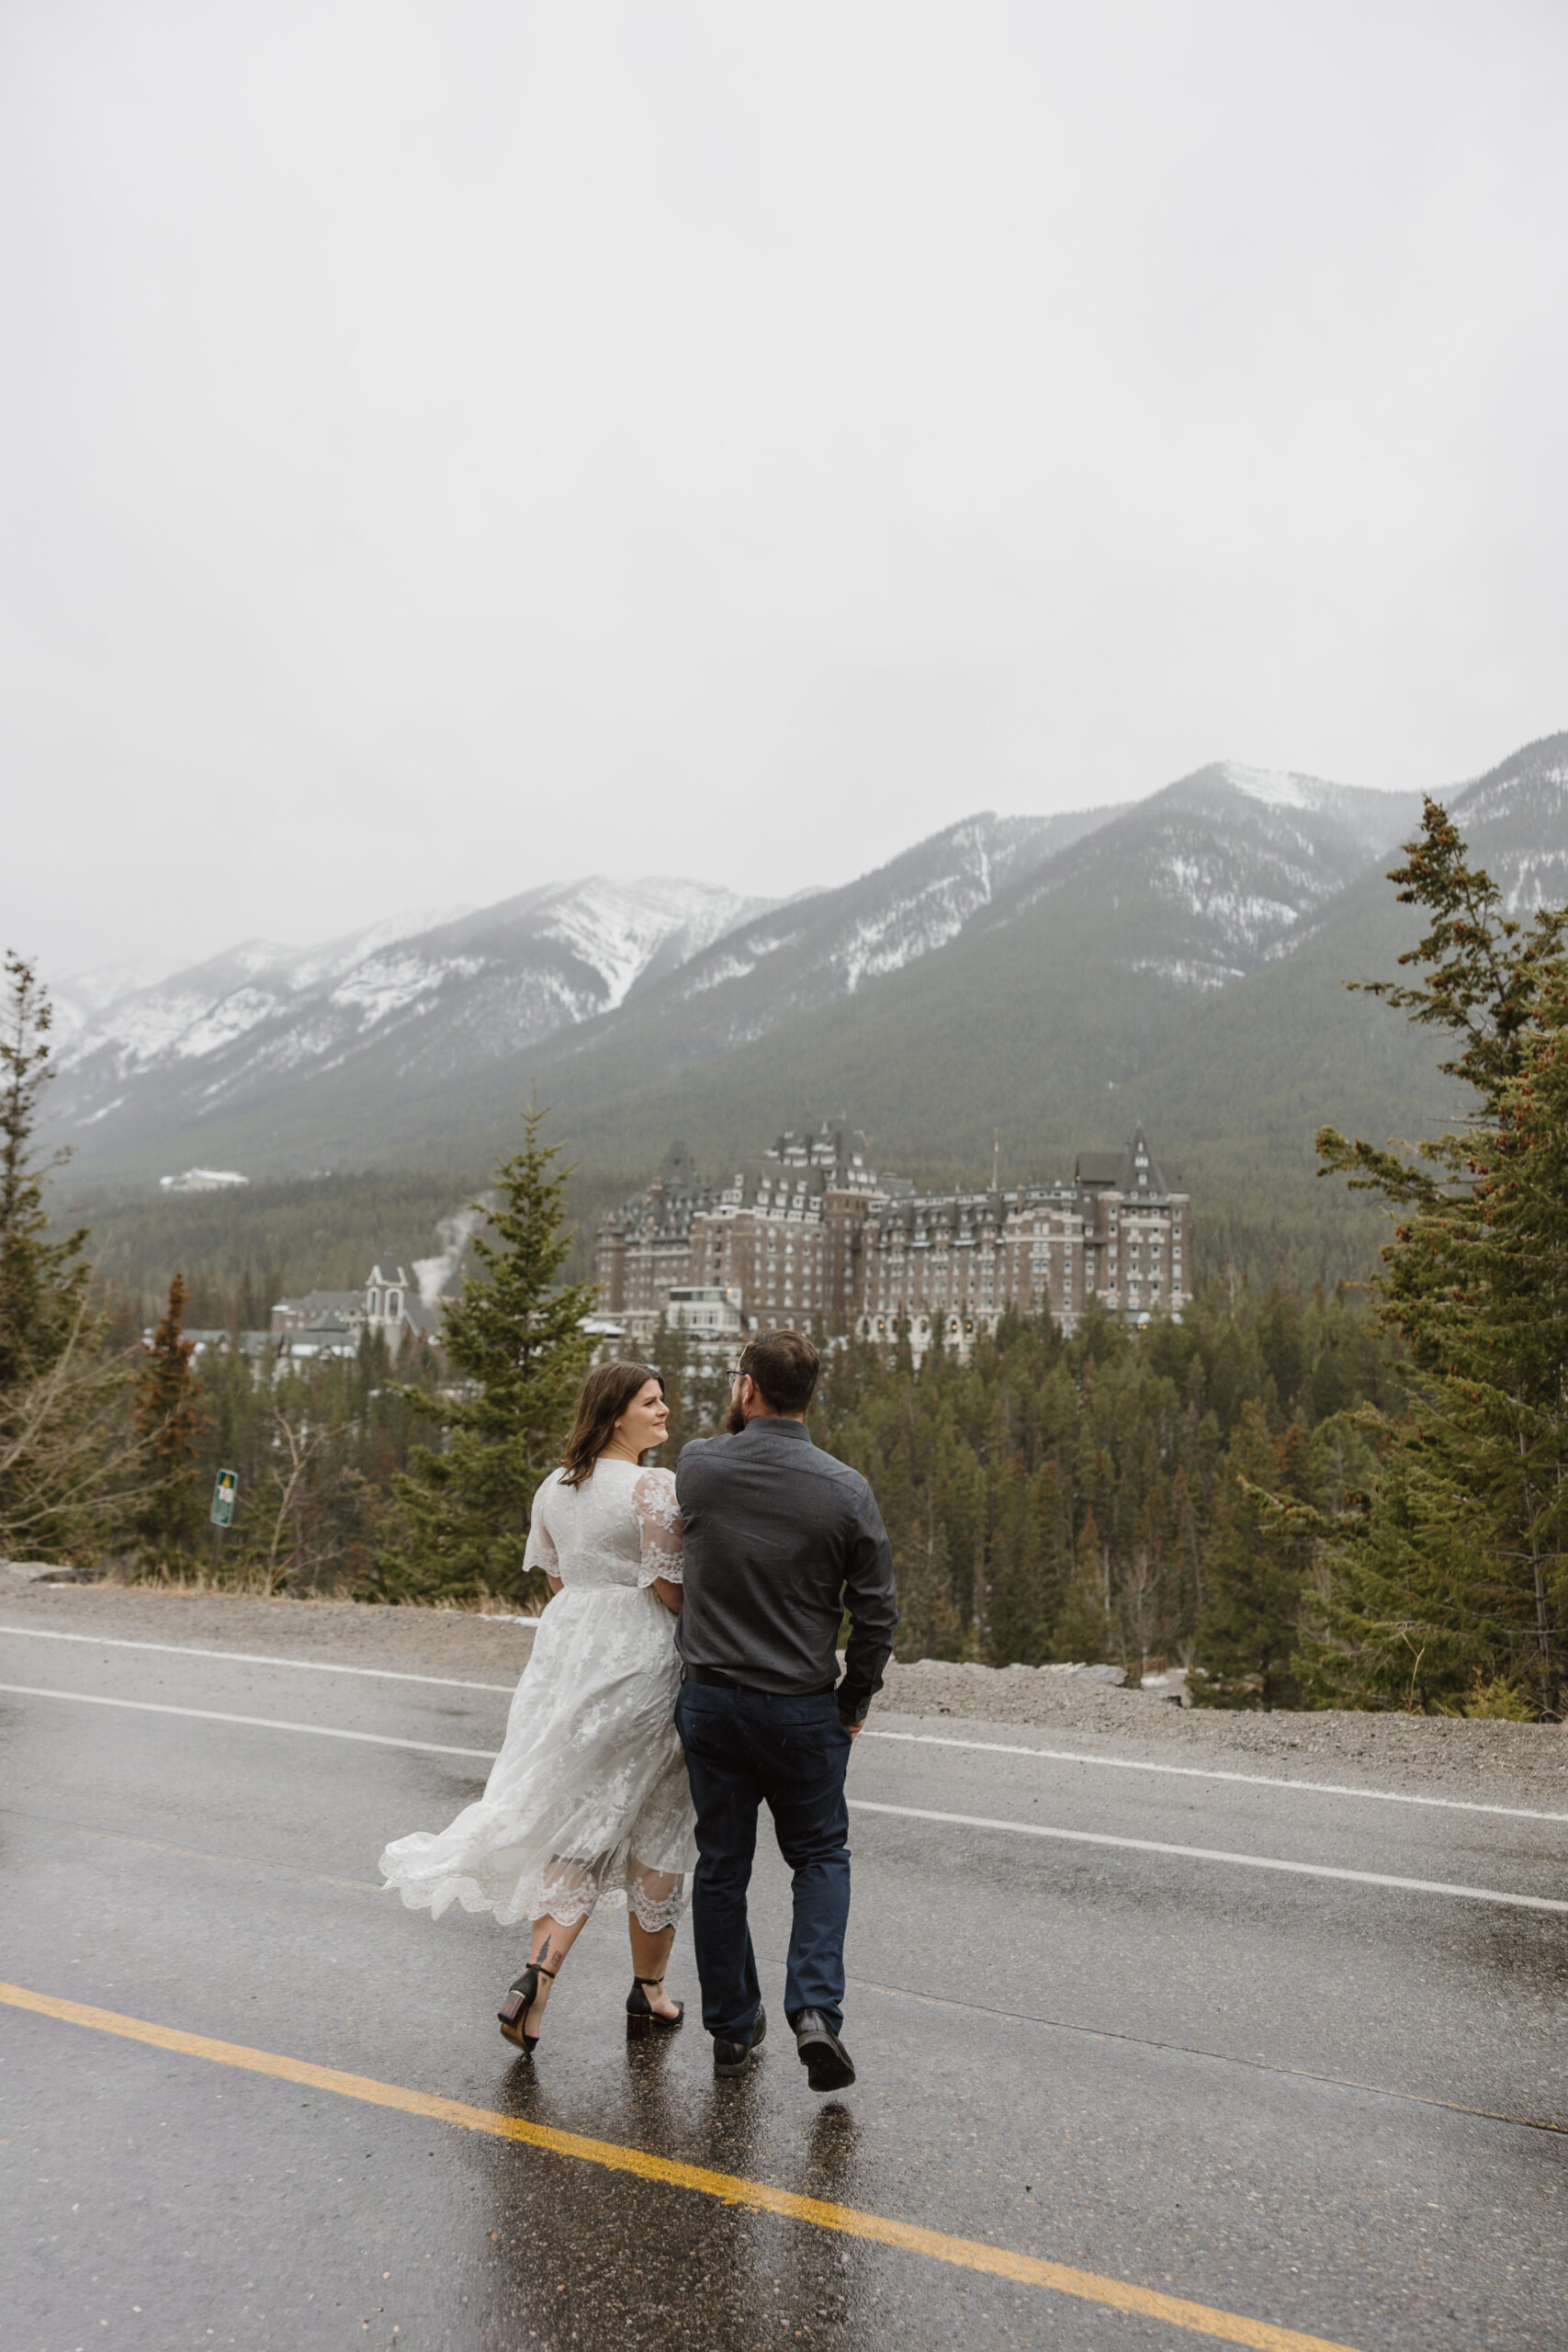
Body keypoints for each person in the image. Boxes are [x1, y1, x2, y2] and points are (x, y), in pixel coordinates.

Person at [378, 1361, 696, 2052]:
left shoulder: (554, 1486)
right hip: (643, 1660)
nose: (664, 1410)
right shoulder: (652, 1487)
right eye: (651, 1402)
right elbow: (671, 1592)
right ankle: (650, 1991)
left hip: (569, 1661)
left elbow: (557, 1577)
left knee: (579, 1822)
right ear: (616, 1415)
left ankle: (536, 1975)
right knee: (661, 1821)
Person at [674, 1328, 897, 2090]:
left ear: (746, 1389)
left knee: (721, 1866)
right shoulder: (845, 1489)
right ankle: (814, 2015)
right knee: (819, 1857)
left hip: (710, 1700)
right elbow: (876, 1615)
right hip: (802, 1707)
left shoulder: (700, 1466)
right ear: (812, 1396)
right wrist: (853, 1699)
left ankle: (733, 2032)